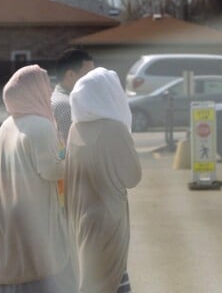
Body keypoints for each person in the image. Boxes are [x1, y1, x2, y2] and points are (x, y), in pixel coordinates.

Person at [0, 64, 77, 293]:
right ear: (32, 90)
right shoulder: (40, 126)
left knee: (16, 272)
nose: (49, 91)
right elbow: (51, 171)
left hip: (9, 216)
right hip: (36, 218)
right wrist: (77, 160)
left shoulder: (6, 127)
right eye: (45, 84)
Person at [65, 67, 142, 293]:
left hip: (81, 216)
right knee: (113, 276)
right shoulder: (114, 128)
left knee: (92, 279)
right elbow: (133, 177)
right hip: (109, 218)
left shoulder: (75, 129)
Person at [51, 48, 95, 143]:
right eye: (89, 75)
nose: (93, 80)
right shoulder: (66, 106)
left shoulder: (57, 98)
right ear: (70, 75)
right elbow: (72, 148)